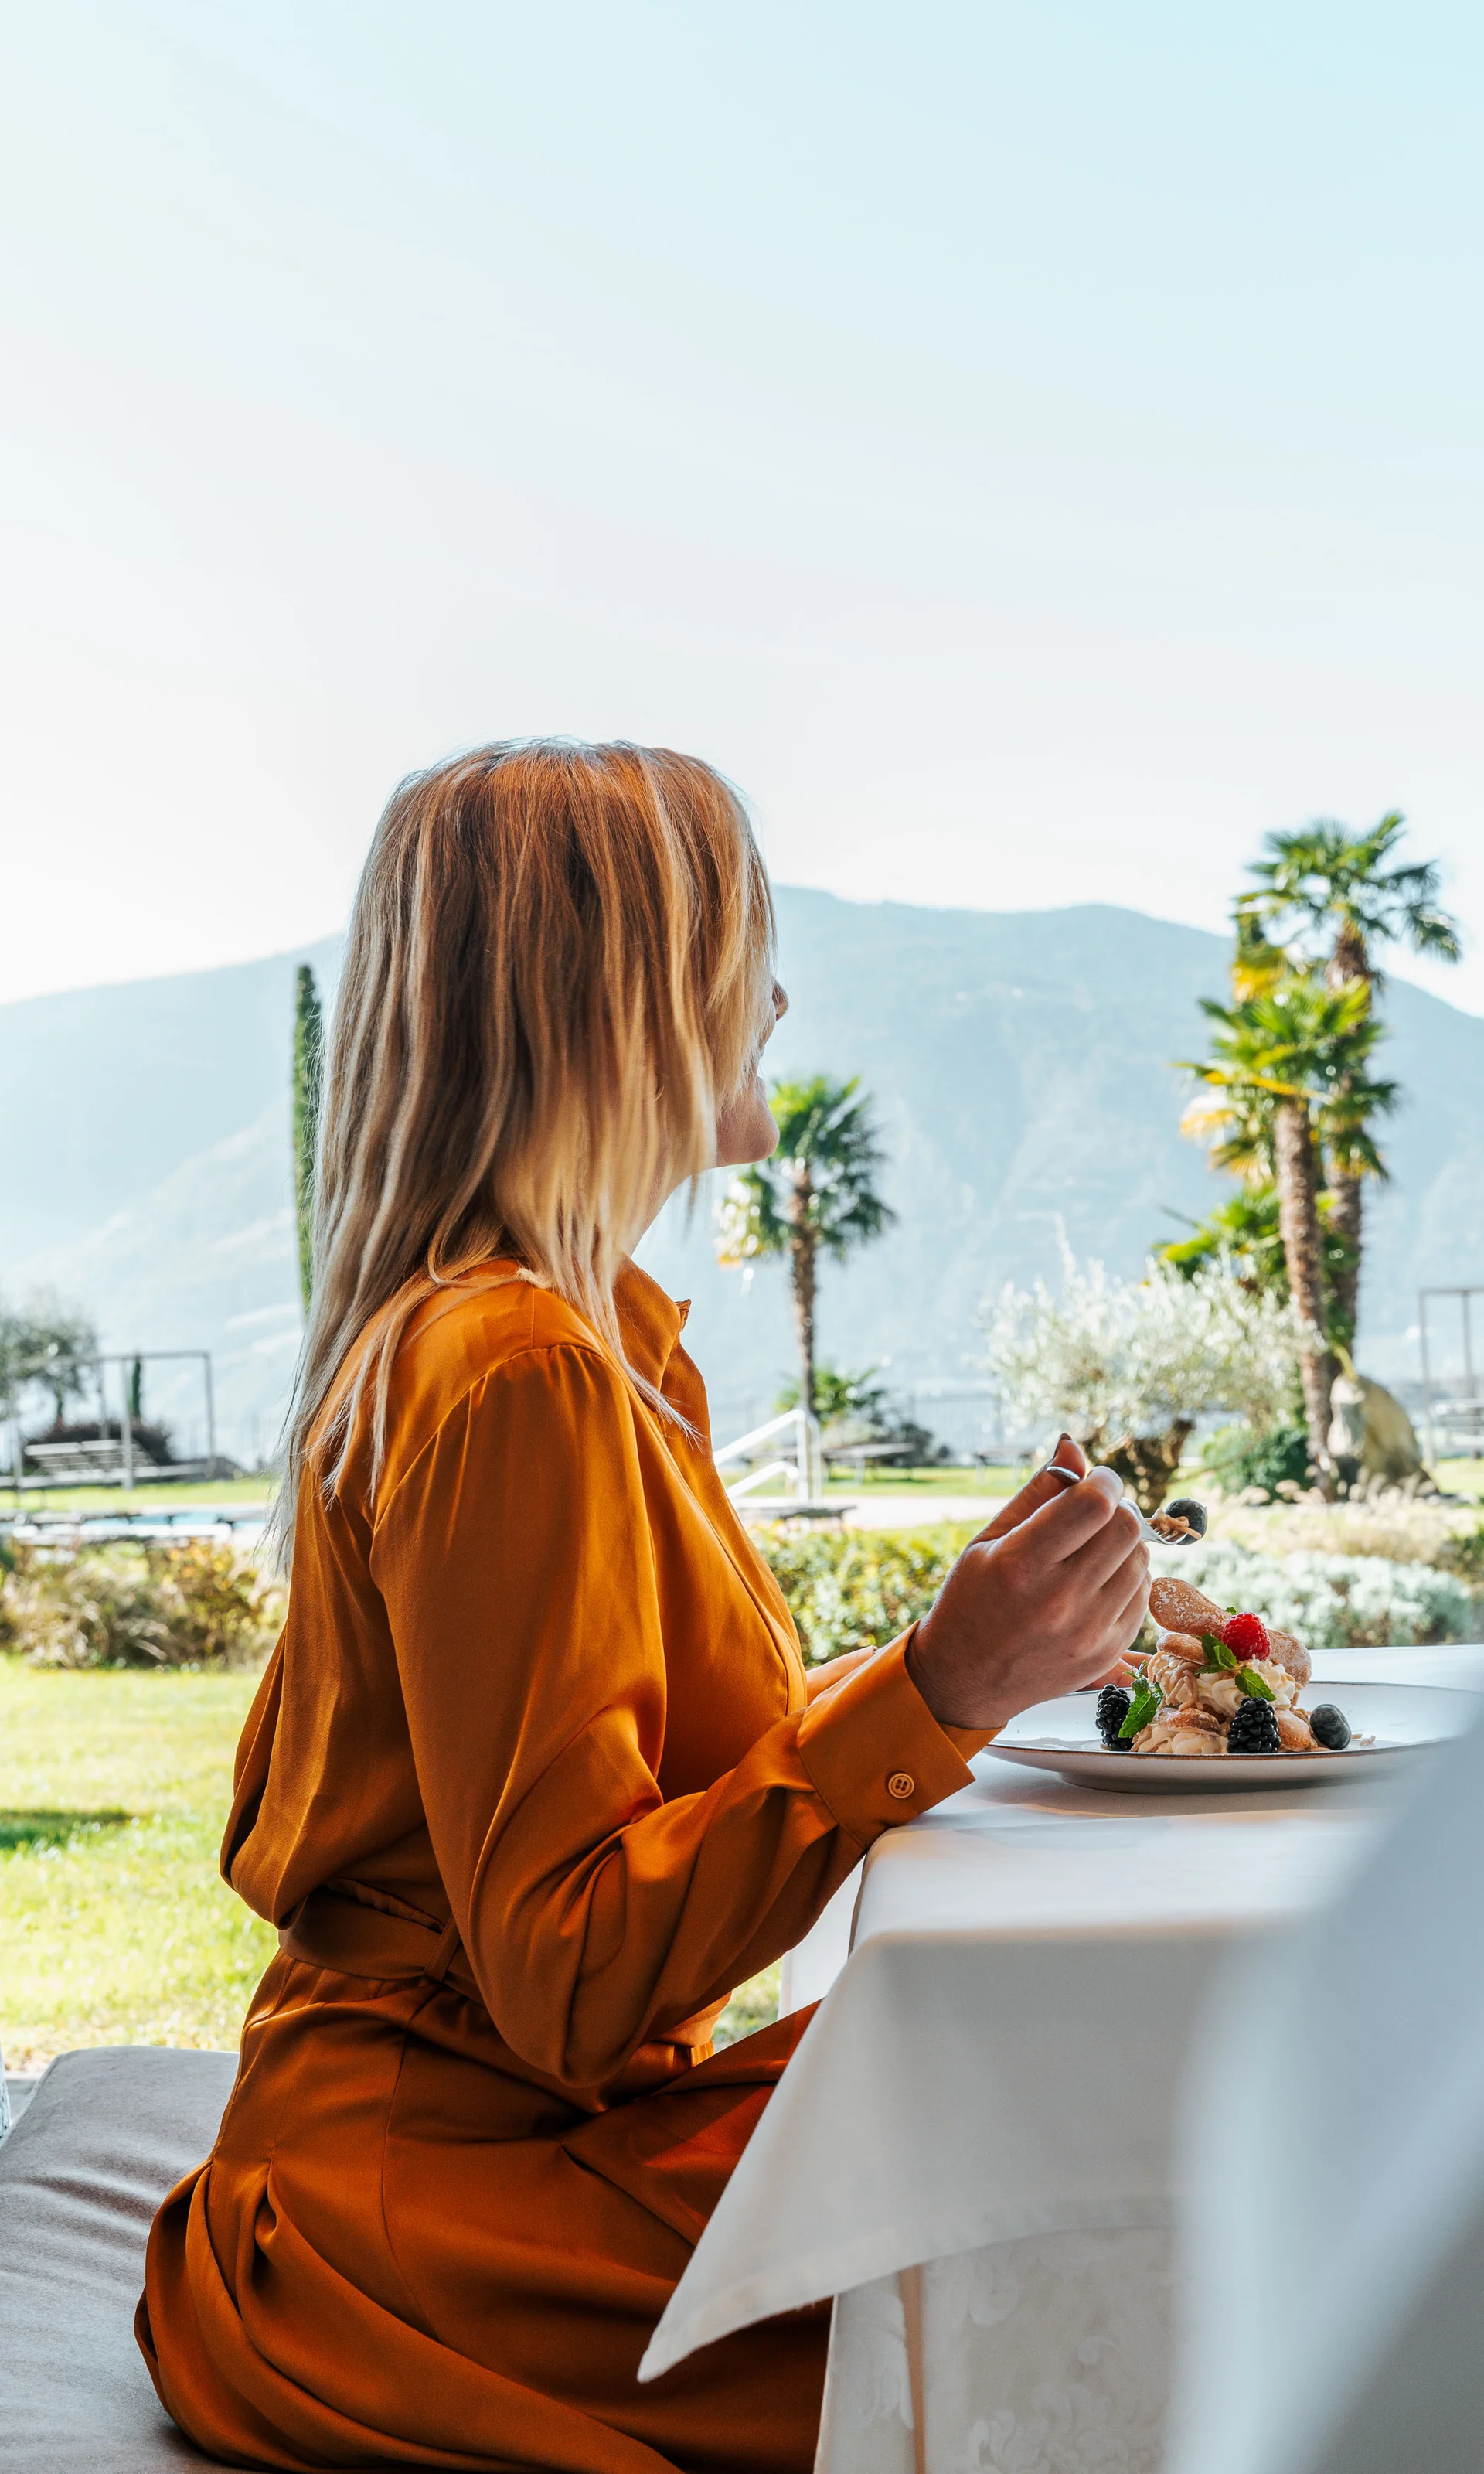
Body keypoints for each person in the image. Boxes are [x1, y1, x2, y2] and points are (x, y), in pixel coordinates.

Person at [136, 740, 1149, 2473]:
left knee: (1073, 2113)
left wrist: (988, 1653)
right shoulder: (513, 1367)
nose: (775, 992)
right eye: (736, 939)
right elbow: (568, 1971)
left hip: (488, 2147)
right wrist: (938, 1684)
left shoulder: (580, 1338)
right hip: (432, 2233)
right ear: (622, 997)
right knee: (1088, 2260)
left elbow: (639, 1789)